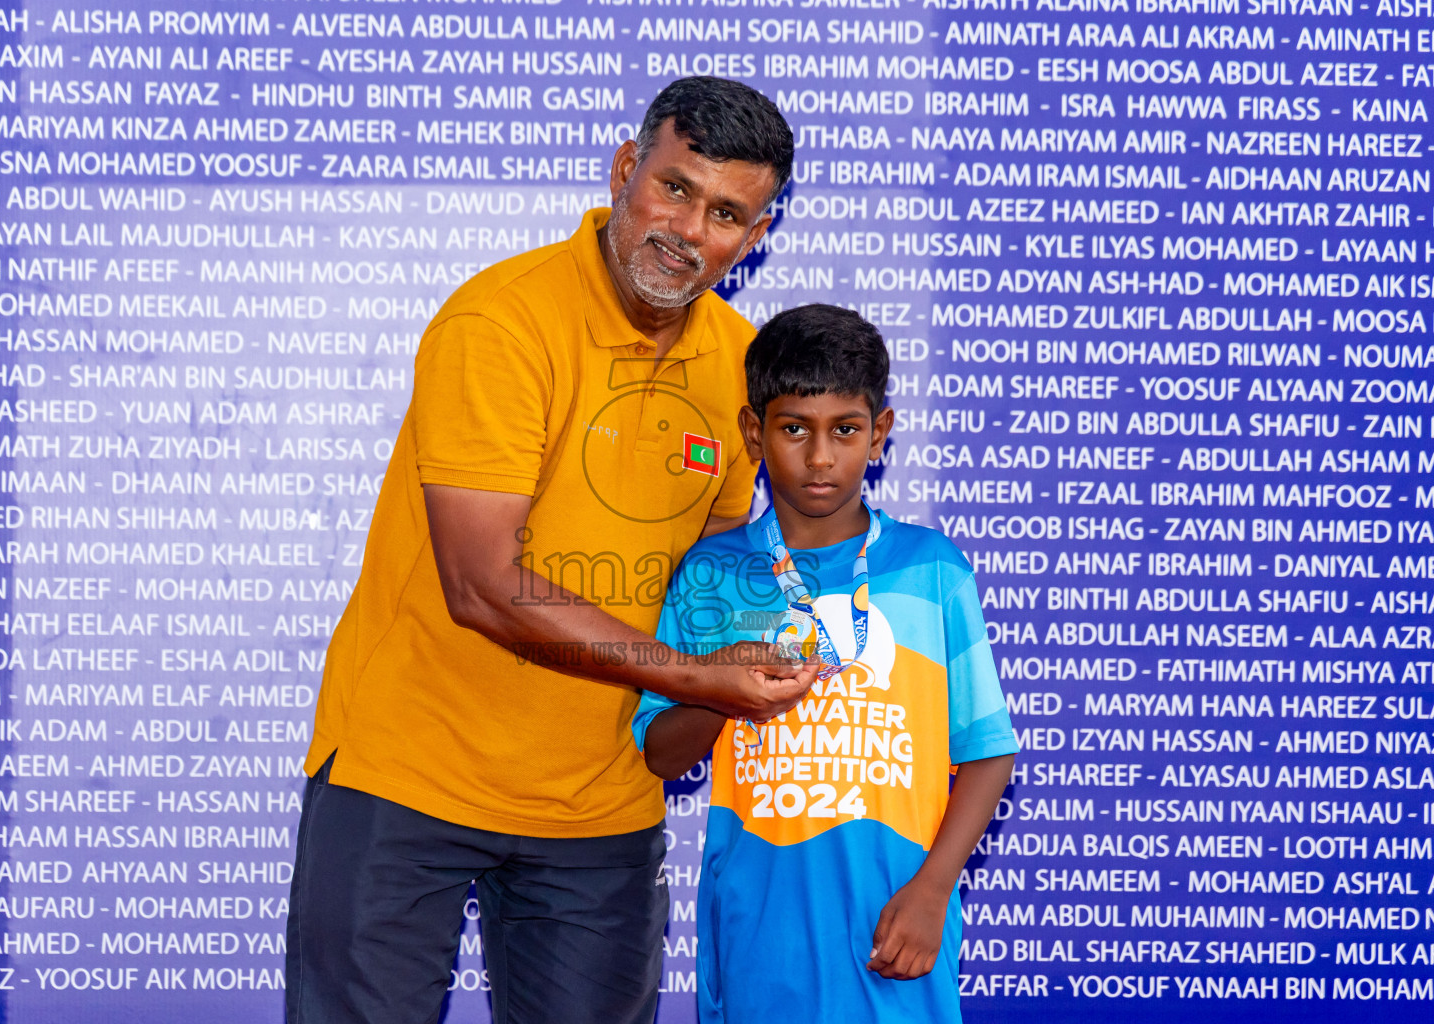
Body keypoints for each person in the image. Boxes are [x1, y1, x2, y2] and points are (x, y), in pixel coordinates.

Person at [286, 78, 816, 1024]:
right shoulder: (504, 321)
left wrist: (761, 655)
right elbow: (482, 586)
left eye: (727, 213)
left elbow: (723, 571)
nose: (690, 230)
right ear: (625, 171)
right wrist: (701, 680)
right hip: (409, 778)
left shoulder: (742, 369)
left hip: (598, 805)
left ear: (758, 234)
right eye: (675, 189)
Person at [633, 304, 1019, 1024]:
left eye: (845, 430)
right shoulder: (713, 575)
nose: (819, 457)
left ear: (881, 432)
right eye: (793, 429)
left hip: (896, 924)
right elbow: (660, 753)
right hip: (758, 929)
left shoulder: (932, 570)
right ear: (754, 433)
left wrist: (934, 889)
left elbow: (989, 752)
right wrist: (722, 682)